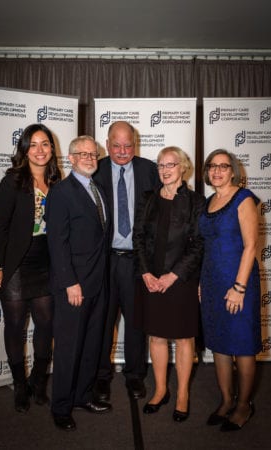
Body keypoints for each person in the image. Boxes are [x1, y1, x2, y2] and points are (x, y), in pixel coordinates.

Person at [0, 123, 61, 412]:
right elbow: (0, 227)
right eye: (34, 144)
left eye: (45, 144)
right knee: (15, 327)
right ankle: (19, 385)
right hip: (16, 262)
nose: (40, 150)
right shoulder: (13, 181)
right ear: (25, 149)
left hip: (46, 261)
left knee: (46, 324)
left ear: (52, 149)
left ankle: (38, 381)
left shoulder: (56, 179)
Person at [133, 146, 205, 421]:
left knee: (185, 338)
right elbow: (138, 237)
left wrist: (173, 276)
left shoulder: (197, 202)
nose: (164, 170)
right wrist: (145, 273)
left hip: (181, 280)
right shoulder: (148, 198)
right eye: (161, 165)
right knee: (157, 336)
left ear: (183, 167)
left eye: (170, 165)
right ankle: (161, 389)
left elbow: (198, 245)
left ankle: (183, 393)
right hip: (151, 278)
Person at [45, 135, 111, 431]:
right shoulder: (60, 192)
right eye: (82, 154)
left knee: (91, 345)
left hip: (99, 284)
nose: (89, 158)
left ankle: (83, 396)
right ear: (69, 158)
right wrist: (70, 282)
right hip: (74, 286)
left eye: (93, 154)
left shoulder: (98, 188)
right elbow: (57, 243)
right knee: (69, 347)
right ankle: (61, 406)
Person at [93, 121, 160, 403]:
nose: (122, 151)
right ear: (107, 144)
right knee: (102, 322)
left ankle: (135, 376)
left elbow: (161, 213)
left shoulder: (149, 170)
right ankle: (100, 376)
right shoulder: (94, 170)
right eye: (116, 145)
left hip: (137, 261)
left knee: (135, 323)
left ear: (136, 144)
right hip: (105, 261)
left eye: (128, 145)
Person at [199, 149, 262, 431]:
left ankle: (243, 405)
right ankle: (226, 401)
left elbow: (250, 246)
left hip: (239, 283)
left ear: (234, 170)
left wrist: (238, 287)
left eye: (223, 166)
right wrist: (201, 282)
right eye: (212, 166)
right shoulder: (208, 201)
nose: (217, 171)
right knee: (220, 345)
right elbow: (205, 247)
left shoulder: (243, 198)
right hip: (212, 282)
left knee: (243, 346)